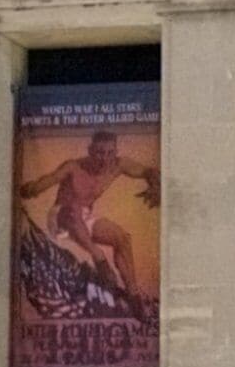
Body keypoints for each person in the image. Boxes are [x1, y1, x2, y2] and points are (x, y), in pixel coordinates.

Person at [19, 129, 158, 324]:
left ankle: (133, 295)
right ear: (90, 150)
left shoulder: (118, 166)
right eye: (100, 153)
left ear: (115, 152)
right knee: (73, 209)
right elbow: (46, 182)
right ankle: (99, 258)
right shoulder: (73, 167)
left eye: (110, 153)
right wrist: (29, 189)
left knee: (123, 238)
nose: (105, 159)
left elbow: (147, 172)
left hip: (84, 218)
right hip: (61, 217)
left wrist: (156, 183)